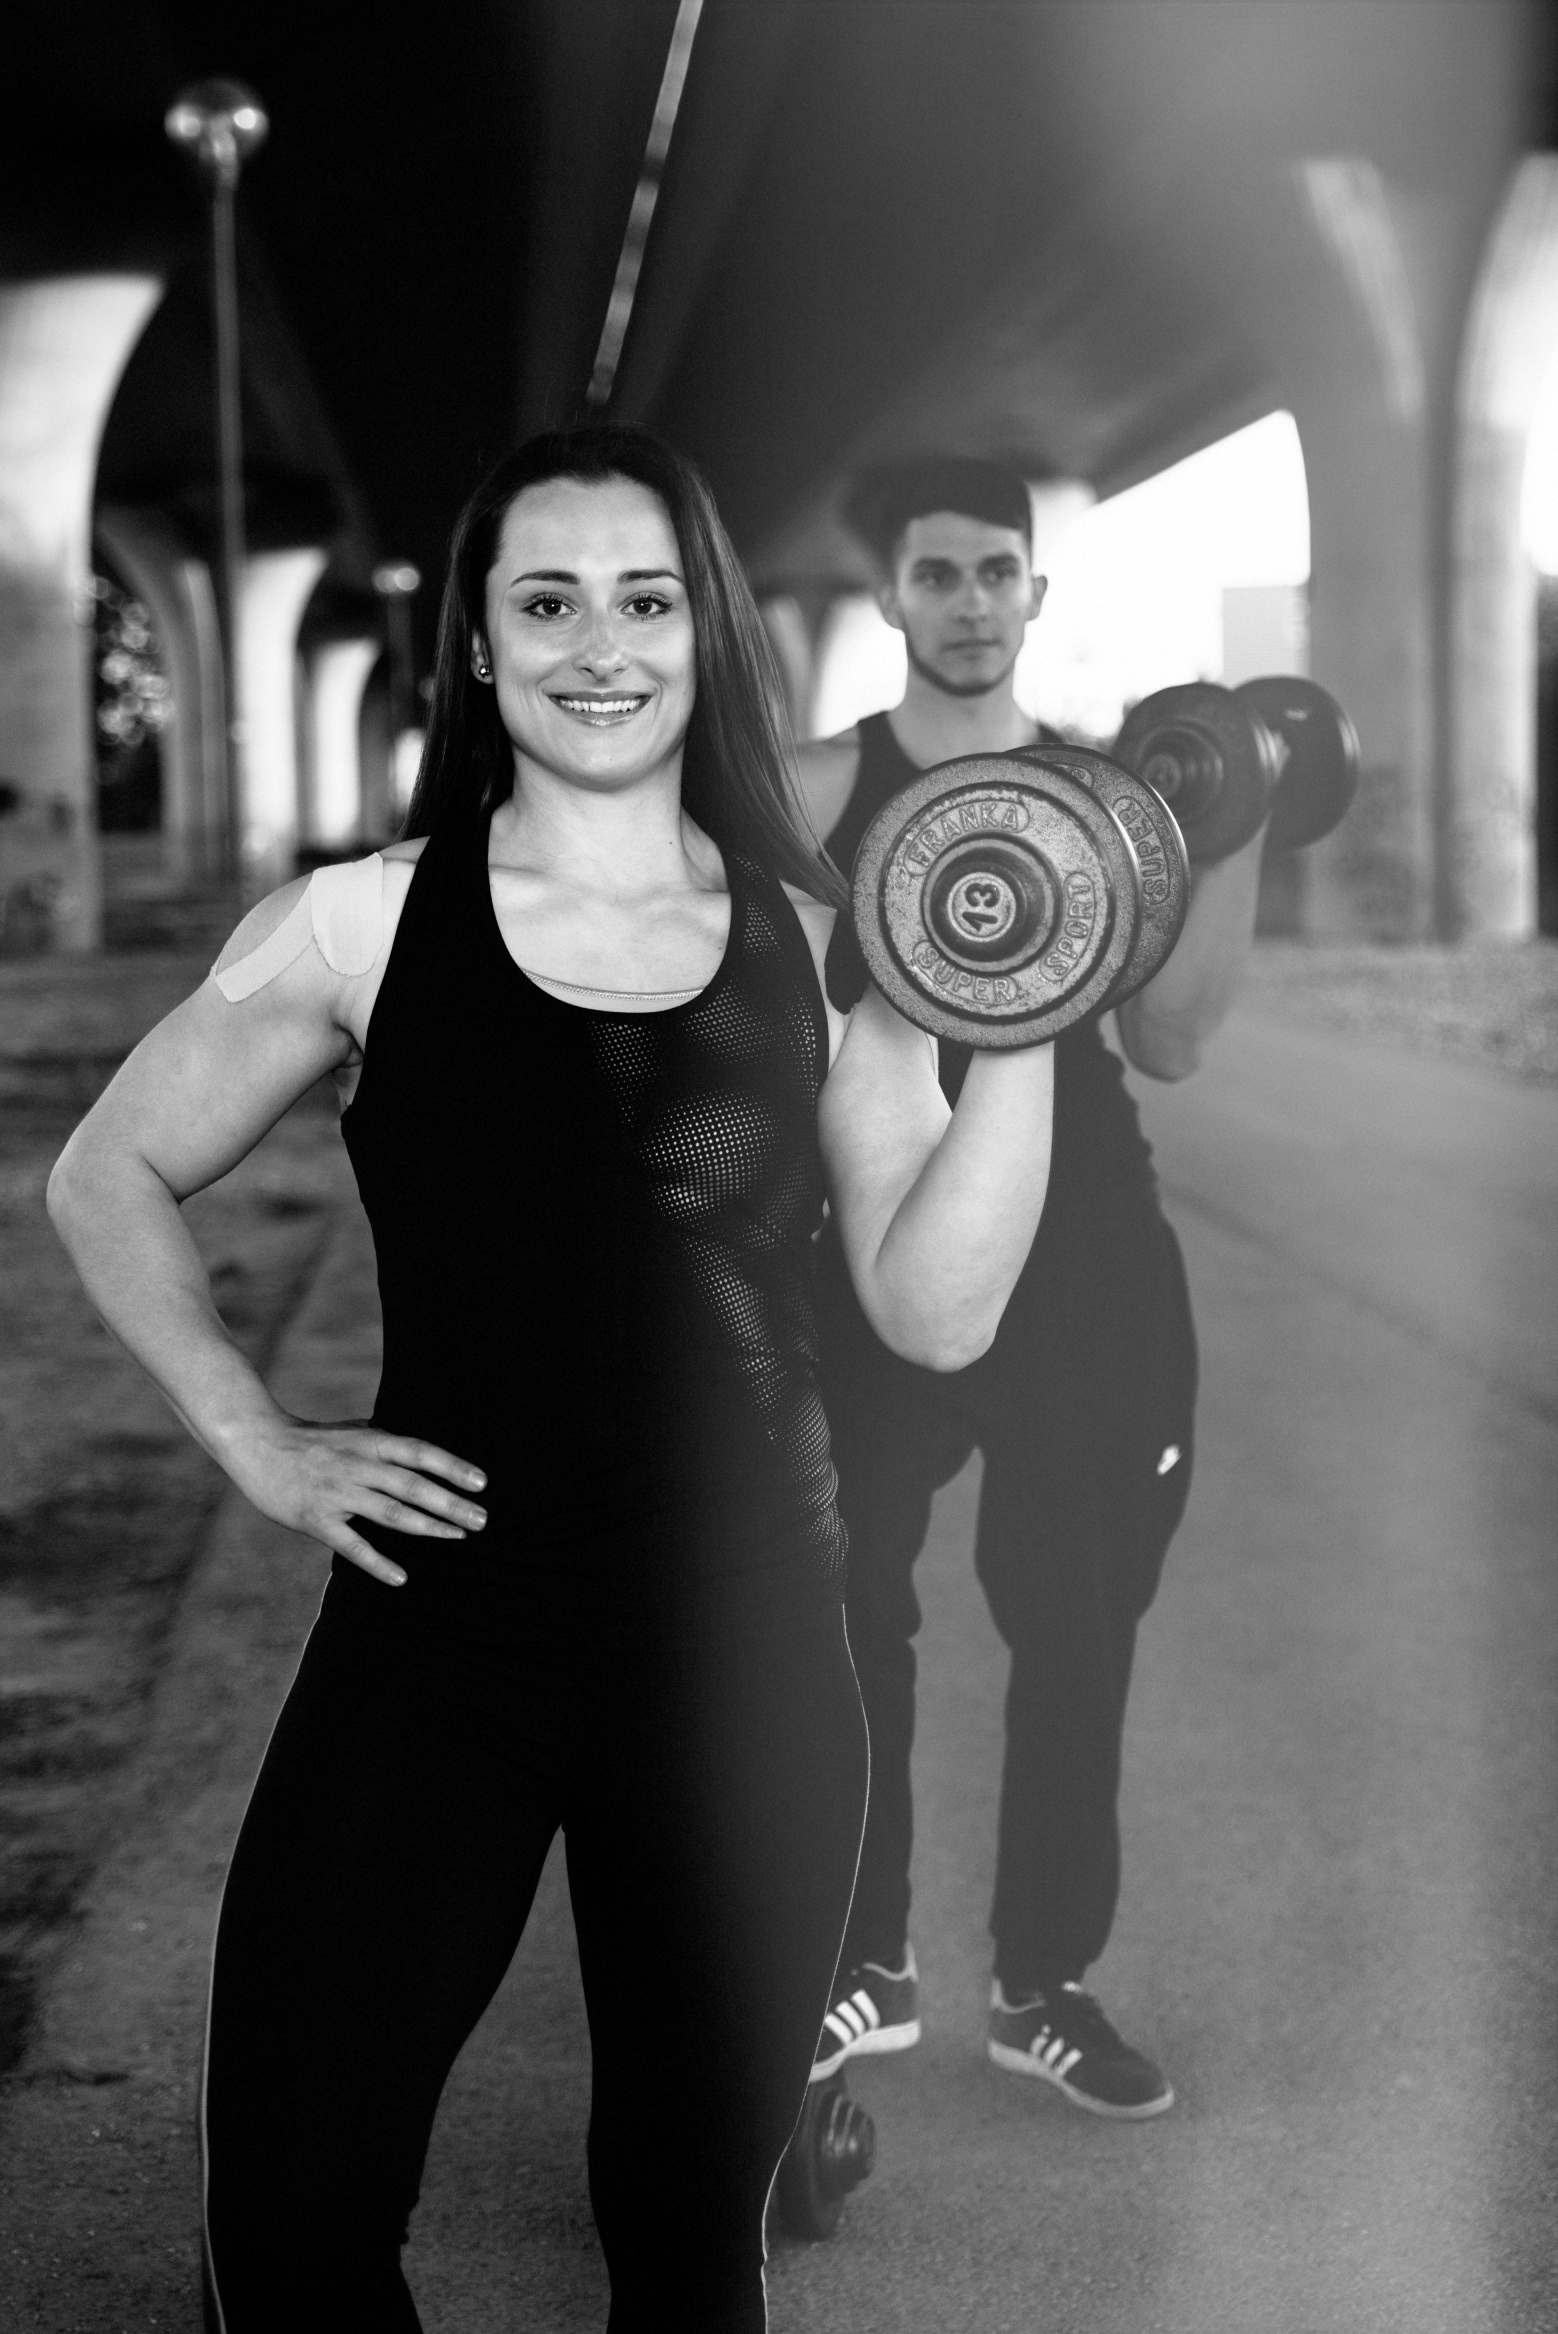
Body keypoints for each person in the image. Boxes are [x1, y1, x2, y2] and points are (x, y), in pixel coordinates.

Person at [46, 425, 1056, 2332]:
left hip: (748, 1653)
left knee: (685, 2244)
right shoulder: (362, 921)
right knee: (296, 2217)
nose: (602, 644)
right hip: (439, 1638)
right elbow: (107, 1171)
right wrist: (257, 1440)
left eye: (646, 598)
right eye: (549, 600)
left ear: (706, 634)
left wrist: (1028, 1021)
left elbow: (935, 1313)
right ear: (481, 644)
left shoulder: (822, 948)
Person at [796, 454, 1264, 2119]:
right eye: (937, 572)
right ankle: (859, 1957)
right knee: (844, 1583)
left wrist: (1231, 819)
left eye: (996, 569)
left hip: (1083, 1243)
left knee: (1076, 1610)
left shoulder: (1116, 797)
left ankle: (1042, 1981)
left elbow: (1171, 1040)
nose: (970, 601)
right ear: (890, 595)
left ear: (1035, 591)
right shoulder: (817, 783)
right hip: (882, 1225)